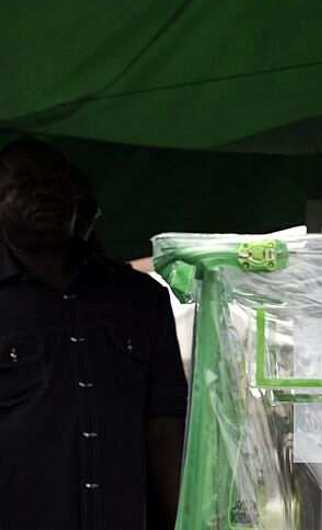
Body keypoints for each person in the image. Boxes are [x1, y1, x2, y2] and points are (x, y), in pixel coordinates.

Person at [0, 138, 187, 530]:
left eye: (56, 183)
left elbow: (166, 428)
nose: (44, 193)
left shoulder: (141, 300)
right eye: (25, 182)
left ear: (79, 198)